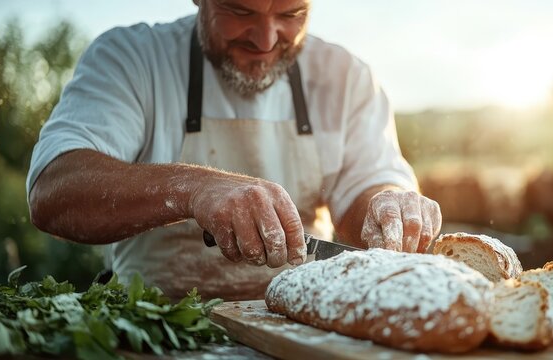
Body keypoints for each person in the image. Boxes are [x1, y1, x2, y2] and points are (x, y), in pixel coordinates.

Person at [27, 0, 442, 301]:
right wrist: (193, 189)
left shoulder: (347, 77)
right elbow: (53, 189)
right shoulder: (132, 59)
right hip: (148, 327)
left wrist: (385, 206)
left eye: (290, 14)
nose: (265, 39)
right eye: (240, 11)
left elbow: (367, 185)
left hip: (298, 331)